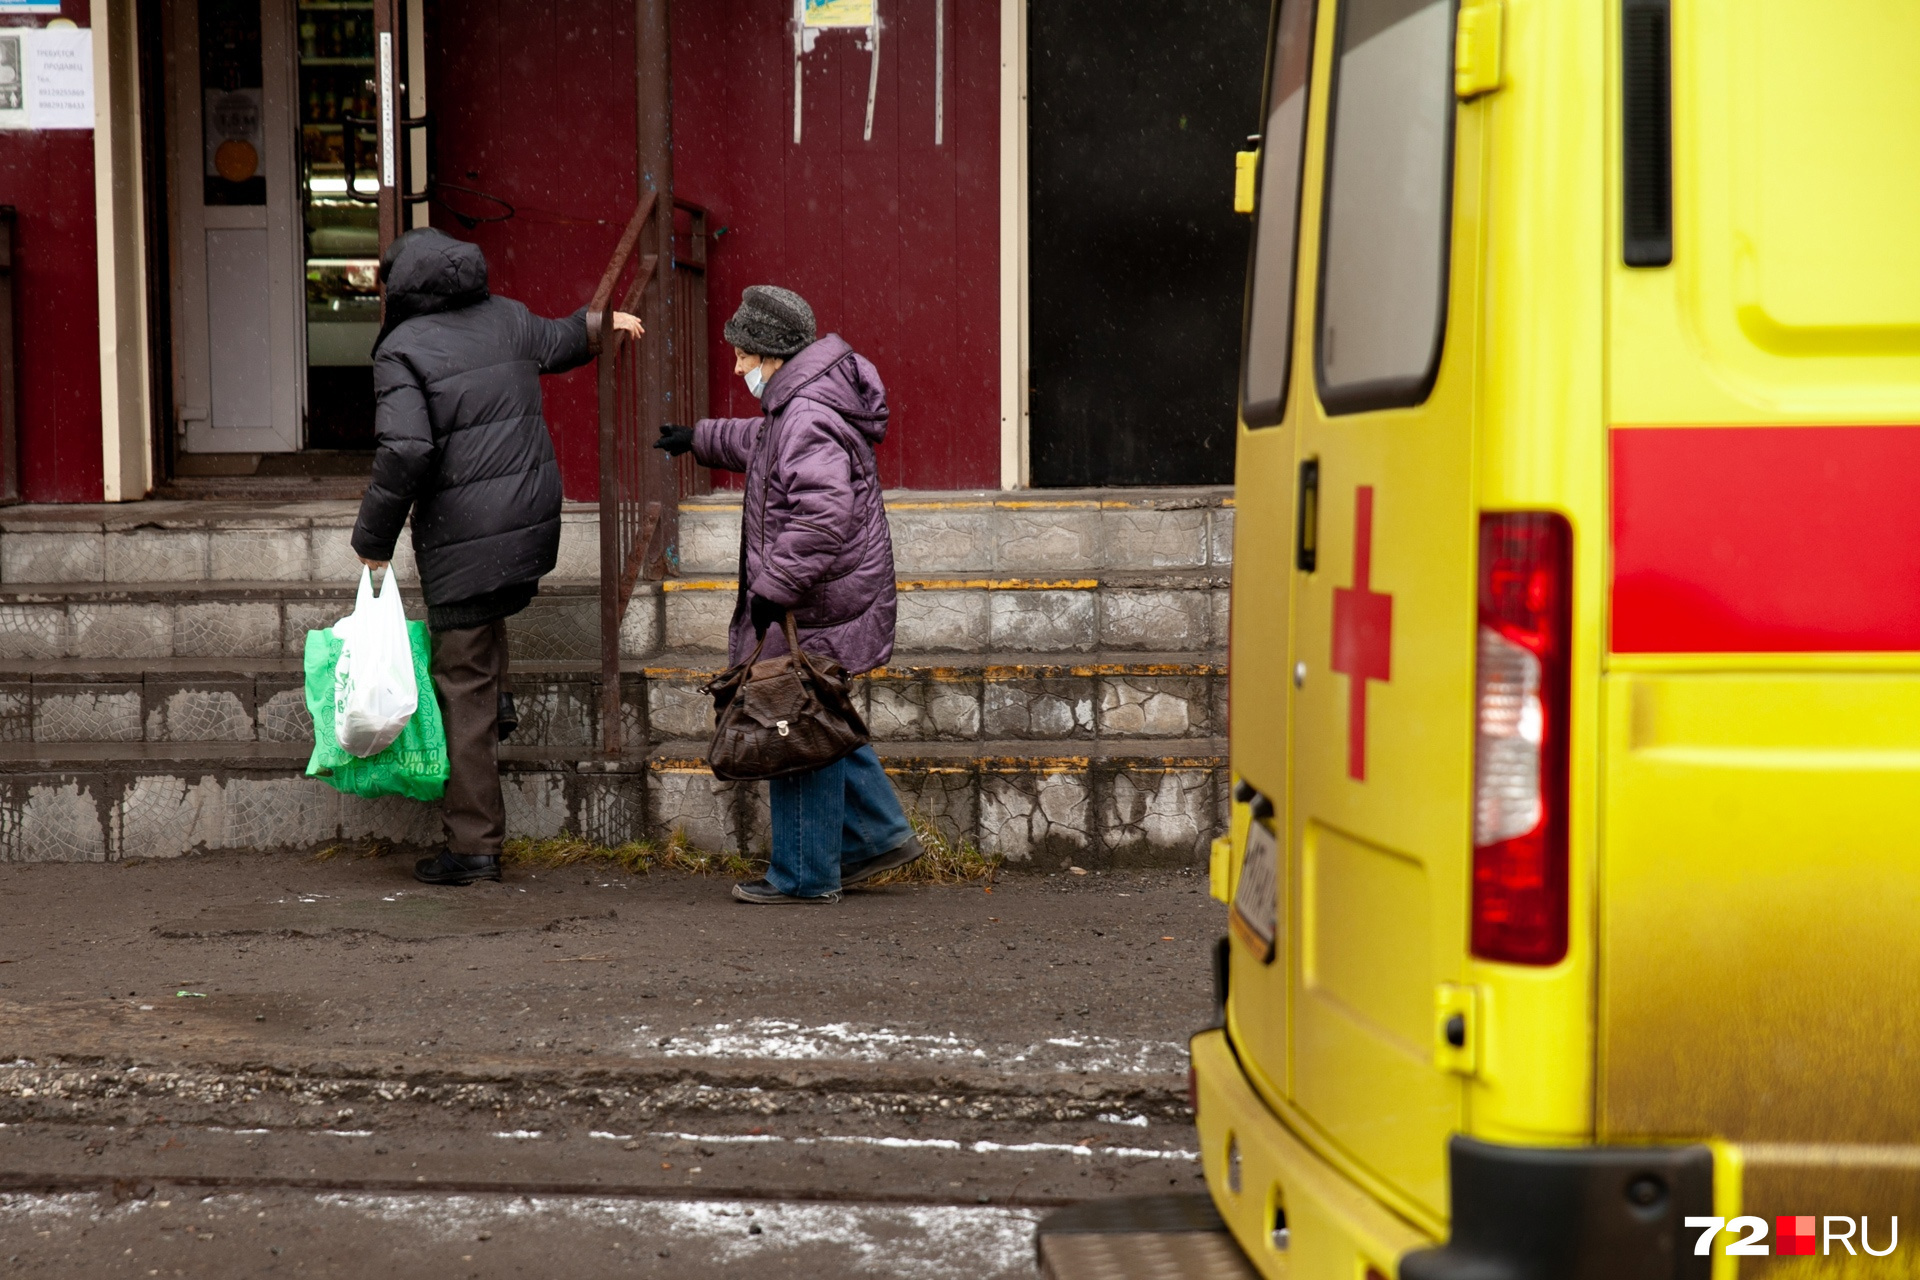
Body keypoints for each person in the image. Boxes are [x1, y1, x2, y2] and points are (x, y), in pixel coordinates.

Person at [352, 227, 643, 887]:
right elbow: (561, 339)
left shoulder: (401, 349)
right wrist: (602, 323)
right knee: (484, 636)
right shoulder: (506, 318)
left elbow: (405, 452)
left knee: (464, 688)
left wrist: (372, 541)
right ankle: (499, 703)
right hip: (527, 519)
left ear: (403, 286)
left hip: (467, 531)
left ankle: (474, 847)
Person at [655, 285, 922, 904]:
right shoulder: (804, 403)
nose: (739, 367)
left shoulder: (804, 413)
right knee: (818, 710)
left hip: (817, 599)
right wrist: (697, 437)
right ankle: (878, 837)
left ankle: (804, 876)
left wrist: (773, 590)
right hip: (832, 593)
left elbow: (822, 515)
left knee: (789, 718)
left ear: (772, 355)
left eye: (745, 356)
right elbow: (763, 446)